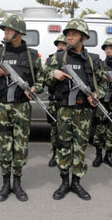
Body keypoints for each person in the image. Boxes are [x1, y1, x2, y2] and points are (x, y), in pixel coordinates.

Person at [45, 19, 106, 201]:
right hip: (64, 108)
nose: (69, 37)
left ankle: (77, 182)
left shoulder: (93, 60)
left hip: (84, 110)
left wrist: (96, 95)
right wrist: (53, 74)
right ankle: (64, 182)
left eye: (74, 34)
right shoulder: (57, 58)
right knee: (64, 146)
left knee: (80, 147)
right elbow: (43, 80)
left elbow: (102, 84)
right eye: (68, 34)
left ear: (84, 37)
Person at [0, 15, 44, 202]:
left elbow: (42, 79)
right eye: (5, 30)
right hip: (3, 106)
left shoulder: (33, 55)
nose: (6, 32)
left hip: (22, 107)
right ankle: (5, 183)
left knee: (20, 146)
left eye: (9, 30)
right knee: (5, 145)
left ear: (19, 33)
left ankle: (17, 182)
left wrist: (35, 88)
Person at [92, 37, 112, 169]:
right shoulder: (100, 64)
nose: (108, 50)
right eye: (106, 48)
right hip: (102, 102)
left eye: (111, 48)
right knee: (99, 128)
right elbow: (94, 81)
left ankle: (108, 155)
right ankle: (98, 155)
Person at [45, 34, 67, 167]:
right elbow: (46, 79)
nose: (60, 46)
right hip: (55, 100)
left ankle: (64, 156)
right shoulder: (50, 60)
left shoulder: (72, 60)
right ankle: (54, 154)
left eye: (63, 44)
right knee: (54, 130)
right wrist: (55, 74)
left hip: (68, 102)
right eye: (59, 44)